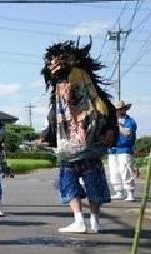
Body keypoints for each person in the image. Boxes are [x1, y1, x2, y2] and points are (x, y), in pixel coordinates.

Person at [39, 40, 116, 233]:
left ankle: (90, 221)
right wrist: (47, 136)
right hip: (69, 147)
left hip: (88, 144)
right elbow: (53, 117)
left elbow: (106, 108)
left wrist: (110, 130)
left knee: (86, 181)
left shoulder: (84, 80)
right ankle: (84, 221)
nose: (54, 65)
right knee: (74, 182)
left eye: (59, 61)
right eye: (51, 63)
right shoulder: (58, 88)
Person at [108, 100, 137, 201]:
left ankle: (130, 192)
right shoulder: (111, 121)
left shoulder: (130, 121)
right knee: (114, 171)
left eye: (120, 109)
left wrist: (118, 126)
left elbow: (128, 133)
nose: (118, 111)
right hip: (112, 149)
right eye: (116, 110)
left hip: (124, 149)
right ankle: (119, 191)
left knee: (126, 170)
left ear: (124, 109)